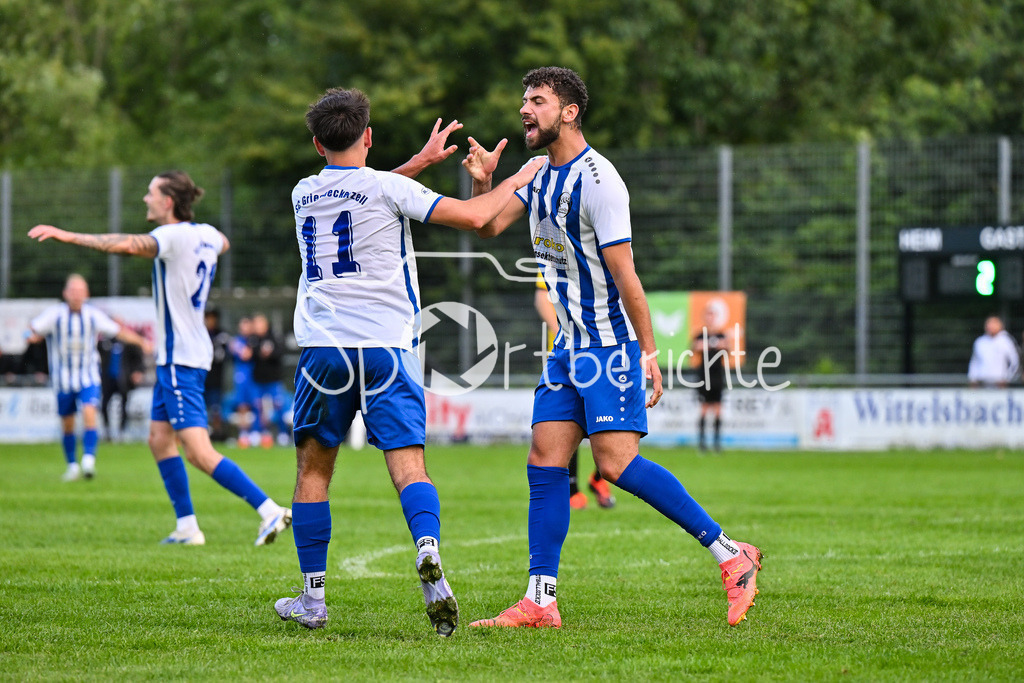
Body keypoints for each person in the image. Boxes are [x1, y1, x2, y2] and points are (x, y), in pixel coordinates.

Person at [462, 66, 762, 629]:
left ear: (568, 112)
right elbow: (487, 228)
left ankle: (732, 554)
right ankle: (540, 600)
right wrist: (482, 182)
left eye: (537, 101)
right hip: (566, 348)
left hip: (608, 346)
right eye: (524, 100)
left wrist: (648, 354)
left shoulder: (601, 182)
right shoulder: (531, 174)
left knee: (616, 464)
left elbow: (627, 276)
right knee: (545, 462)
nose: (525, 110)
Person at [273, 87, 544, 634]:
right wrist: (521, 176)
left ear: (315, 141)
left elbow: (355, 189)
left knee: (314, 470)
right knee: (408, 465)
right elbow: (472, 216)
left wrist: (419, 163)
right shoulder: (388, 187)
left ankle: (313, 597)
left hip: (324, 350)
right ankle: (427, 548)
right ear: (368, 137)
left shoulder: (304, 191)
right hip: (387, 348)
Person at [28, 171, 292, 547]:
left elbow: (125, 245)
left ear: (168, 201)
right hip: (184, 354)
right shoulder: (209, 234)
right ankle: (187, 527)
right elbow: (224, 242)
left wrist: (68, 236)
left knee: (199, 452)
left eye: (151, 193)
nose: (145, 199)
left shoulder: (171, 236)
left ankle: (269, 510)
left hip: (180, 359)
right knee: (158, 439)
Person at [27, 274, 149, 481]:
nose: (76, 295)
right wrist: (30, 337)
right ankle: (72, 465)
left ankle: (89, 460)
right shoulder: (55, 314)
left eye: (80, 291)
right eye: (72, 291)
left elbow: (118, 331)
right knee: (68, 423)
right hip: (63, 377)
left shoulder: (93, 315)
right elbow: (34, 329)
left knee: (89, 410)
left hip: (88, 375)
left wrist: (141, 341)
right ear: (66, 293)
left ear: (86, 294)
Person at [534, 270, 614, 509]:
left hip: (605, 350)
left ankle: (599, 477)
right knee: (570, 420)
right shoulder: (557, 249)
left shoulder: (608, 248)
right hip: (566, 355)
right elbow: (542, 297)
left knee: (610, 419)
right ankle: (572, 489)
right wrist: (561, 332)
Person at [692, 304, 731, 452]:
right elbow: (695, 347)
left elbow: (727, 347)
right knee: (704, 409)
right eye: (708, 316)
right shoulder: (700, 335)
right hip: (704, 377)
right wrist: (712, 345)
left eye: (713, 316)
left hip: (718, 376)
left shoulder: (721, 334)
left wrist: (712, 345)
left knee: (718, 409)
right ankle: (702, 443)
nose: (711, 319)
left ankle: (717, 443)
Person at [98, 327, 147, 441]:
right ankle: (107, 430)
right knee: (104, 405)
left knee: (124, 406)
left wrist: (137, 371)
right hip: (108, 380)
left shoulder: (128, 345)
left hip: (123, 381)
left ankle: (122, 431)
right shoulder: (106, 343)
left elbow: (138, 358)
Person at [249, 313, 289, 447]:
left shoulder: (274, 337)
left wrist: (270, 354)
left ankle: (283, 433)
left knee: (279, 406)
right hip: (258, 380)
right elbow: (249, 355)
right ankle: (257, 433)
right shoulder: (253, 339)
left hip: (273, 380)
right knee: (257, 407)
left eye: (259, 323)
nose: (257, 326)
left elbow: (280, 353)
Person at [204, 308, 232, 441]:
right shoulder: (200, 334)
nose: (210, 321)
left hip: (215, 379)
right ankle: (201, 433)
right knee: (201, 408)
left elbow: (226, 355)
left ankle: (216, 434)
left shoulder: (221, 335)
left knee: (216, 408)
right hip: (201, 378)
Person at [967, 315, 1020, 387]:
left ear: (1000, 325)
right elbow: (974, 362)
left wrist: (1007, 378)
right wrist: (972, 379)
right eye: (989, 323)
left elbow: (1015, 362)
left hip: (999, 384)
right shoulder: (980, 342)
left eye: (994, 323)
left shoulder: (1006, 341)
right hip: (982, 383)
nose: (991, 326)